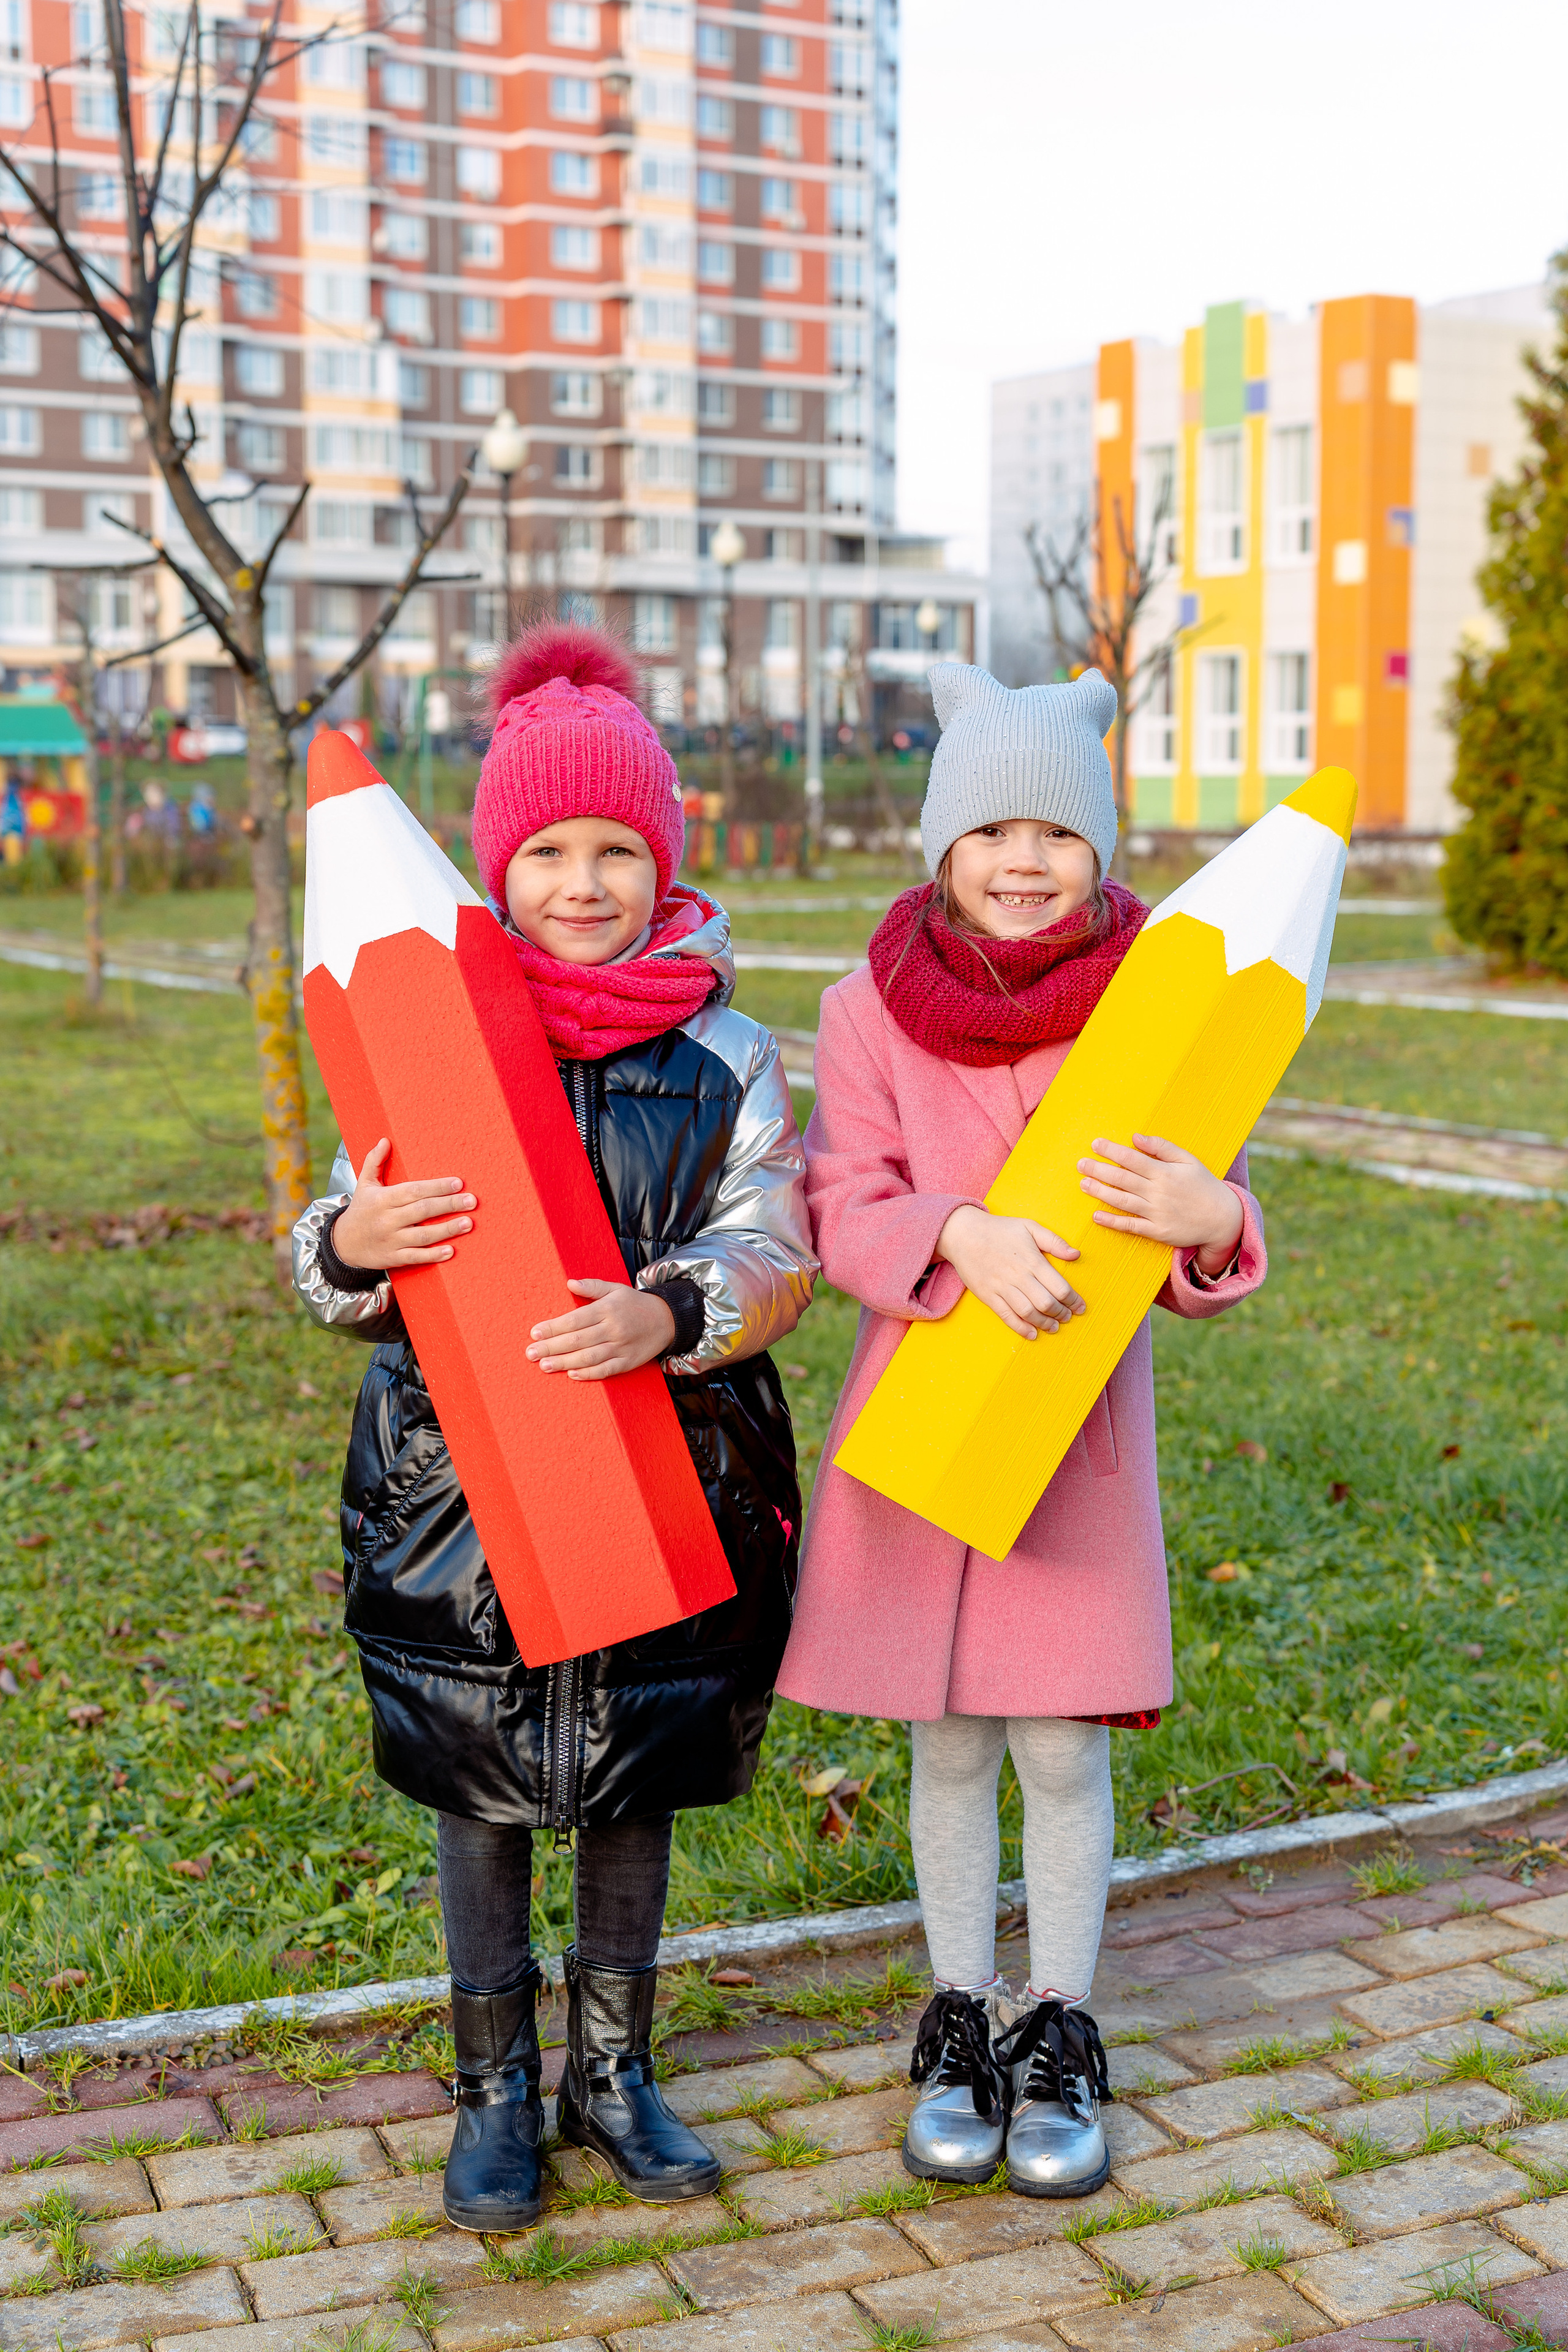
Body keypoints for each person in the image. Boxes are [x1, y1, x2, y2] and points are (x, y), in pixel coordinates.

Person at [292, 622, 816, 2233]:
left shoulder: (727, 1054)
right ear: (497, 863)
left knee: (634, 1791)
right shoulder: (431, 1029)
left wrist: (674, 1312)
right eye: (548, 851)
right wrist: (349, 1249)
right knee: (482, 1798)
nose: (583, 883)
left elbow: (779, 1241)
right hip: (457, 1507)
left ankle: (615, 2073)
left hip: (669, 1490)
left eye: (616, 851)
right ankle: (493, 2092)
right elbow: (350, 1230)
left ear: (662, 861)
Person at [777, 663, 1267, 2198]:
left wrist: (1213, 1217)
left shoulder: (1154, 1008)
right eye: (986, 824)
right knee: (949, 1738)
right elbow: (835, 1199)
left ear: (1097, 846)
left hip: (1073, 1447)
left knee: (1058, 1741)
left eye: (1053, 828)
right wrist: (953, 1233)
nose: (1019, 857)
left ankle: (1057, 2021)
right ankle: (954, 2011)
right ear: (938, 840)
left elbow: (1190, 1232)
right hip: (923, 1419)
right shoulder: (865, 1010)